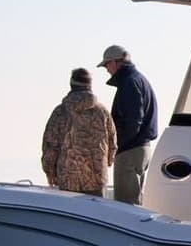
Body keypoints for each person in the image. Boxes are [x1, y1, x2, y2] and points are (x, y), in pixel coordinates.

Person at [40, 66, 117, 196]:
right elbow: (112, 142)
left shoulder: (60, 112)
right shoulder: (102, 112)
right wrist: (107, 162)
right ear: (90, 86)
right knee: (94, 215)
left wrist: (49, 171)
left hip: (67, 179)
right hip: (97, 178)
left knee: (69, 215)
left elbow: (50, 144)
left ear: (71, 85)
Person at [100, 45, 159, 205]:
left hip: (130, 152)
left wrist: (116, 146)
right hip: (140, 149)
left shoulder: (130, 83)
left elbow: (133, 122)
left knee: (126, 206)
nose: (106, 69)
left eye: (106, 65)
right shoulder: (139, 80)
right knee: (134, 203)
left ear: (114, 62)